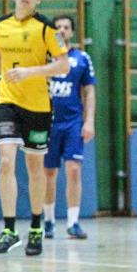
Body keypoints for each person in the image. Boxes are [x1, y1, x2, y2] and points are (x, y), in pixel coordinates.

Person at [0, 0, 69, 256]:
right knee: (6, 161)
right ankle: (9, 229)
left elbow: (63, 65)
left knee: (34, 167)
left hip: (38, 106)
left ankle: (37, 226)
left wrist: (30, 72)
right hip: (7, 101)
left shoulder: (46, 29)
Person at [43, 15, 95, 240]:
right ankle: (48, 220)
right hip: (47, 123)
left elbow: (89, 91)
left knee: (73, 169)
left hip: (73, 122)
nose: (62, 30)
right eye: (58, 27)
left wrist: (89, 120)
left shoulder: (82, 58)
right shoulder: (44, 58)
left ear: (72, 32)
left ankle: (73, 222)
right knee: (48, 172)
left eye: (66, 27)